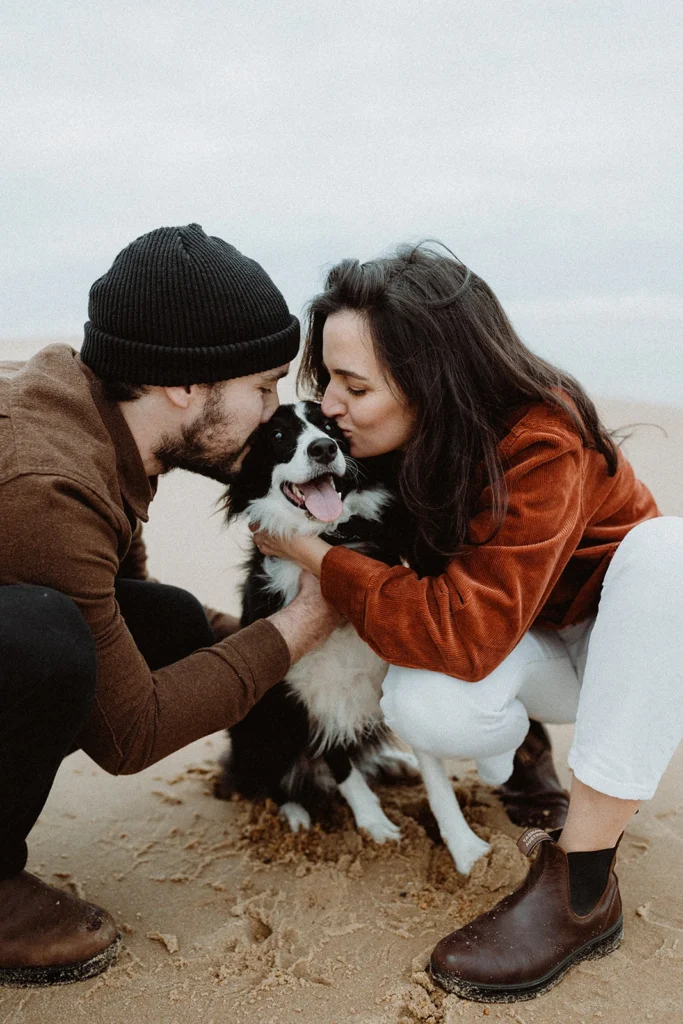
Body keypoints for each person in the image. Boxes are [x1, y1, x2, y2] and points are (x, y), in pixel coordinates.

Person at [251, 242, 683, 1003]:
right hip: (520, 634)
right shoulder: (387, 443)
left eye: (353, 385)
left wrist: (318, 558)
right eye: (327, 383)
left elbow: (460, 632)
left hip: (623, 647)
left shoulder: (540, 438)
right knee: (423, 704)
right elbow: (445, 621)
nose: (331, 408)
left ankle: (581, 887)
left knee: (668, 552)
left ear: (431, 379)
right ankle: (522, 750)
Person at [0, 224, 343, 987]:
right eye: (263, 387)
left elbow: (133, 612)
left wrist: (312, 667)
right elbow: (130, 735)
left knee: (167, 619)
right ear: (185, 385)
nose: (273, 412)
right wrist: (306, 622)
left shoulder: (93, 414)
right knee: (43, 639)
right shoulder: (45, 485)